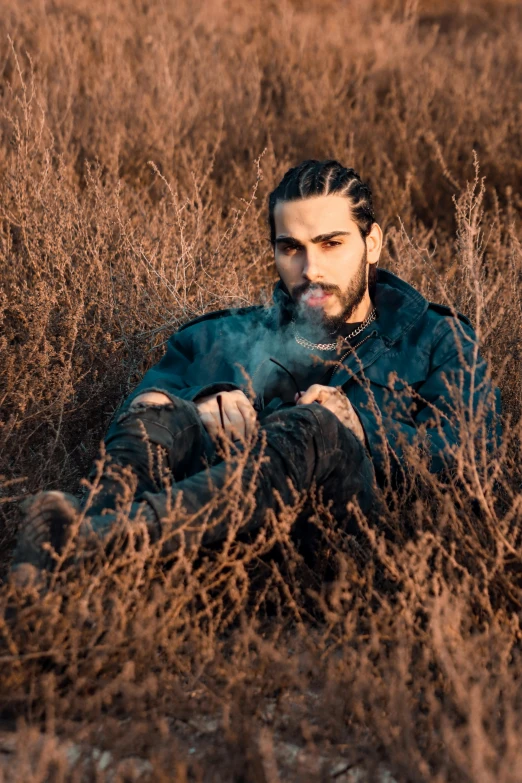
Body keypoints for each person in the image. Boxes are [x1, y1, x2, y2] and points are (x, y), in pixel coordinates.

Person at [11, 160, 501, 575]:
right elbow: (136, 420)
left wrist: (363, 429)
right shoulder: (218, 337)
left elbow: (475, 456)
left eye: (331, 244)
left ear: (371, 243)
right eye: (291, 248)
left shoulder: (438, 338)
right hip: (225, 553)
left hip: (352, 551)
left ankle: (85, 542)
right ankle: (66, 561)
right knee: (161, 410)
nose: (310, 269)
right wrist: (201, 404)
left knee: (317, 427)